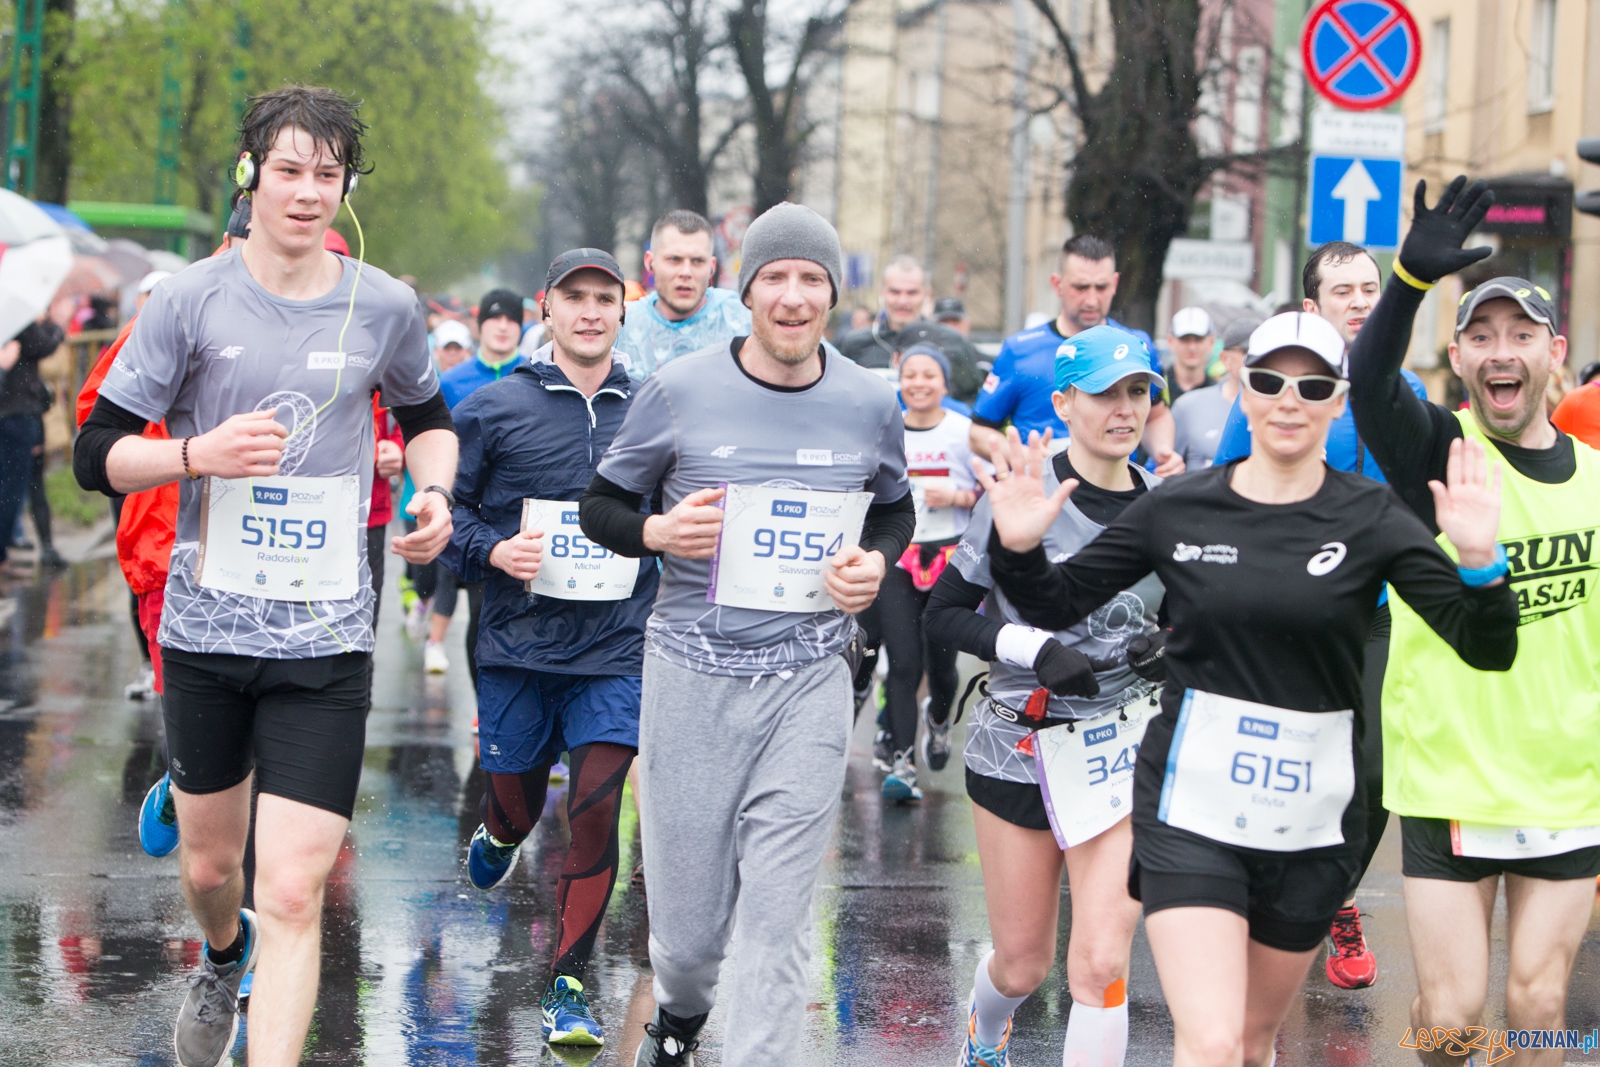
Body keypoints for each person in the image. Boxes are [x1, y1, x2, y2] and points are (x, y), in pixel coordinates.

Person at [982, 308, 1516, 1067]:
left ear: (1340, 401)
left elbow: (1486, 646)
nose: (1289, 400)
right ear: (1243, 390)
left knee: (1252, 1040)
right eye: (1270, 382)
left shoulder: (1373, 518)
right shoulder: (1179, 506)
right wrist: (1018, 549)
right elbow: (1056, 602)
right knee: (1209, 1041)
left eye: (1314, 386)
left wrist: (1481, 562)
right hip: (1190, 809)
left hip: (1308, 820)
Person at [73, 86, 458, 1067]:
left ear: (347, 185)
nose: (308, 191)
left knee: (292, 887)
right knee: (213, 870)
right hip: (206, 632)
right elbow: (95, 452)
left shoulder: (384, 304)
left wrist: (433, 493)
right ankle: (220, 950)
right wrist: (195, 454)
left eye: (328, 174)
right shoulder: (188, 299)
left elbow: (427, 419)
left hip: (326, 636)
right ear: (252, 176)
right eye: (288, 169)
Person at [579, 202, 914, 1067]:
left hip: (809, 675)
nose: (793, 297)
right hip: (691, 676)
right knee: (688, 939)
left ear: (833, 294)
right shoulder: (680, 390)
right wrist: (657, 531)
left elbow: (895, 509)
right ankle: (680, 1015)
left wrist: (876, 562)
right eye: (775, 278)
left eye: (812, 279)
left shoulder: (869, 401)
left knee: (777, 919)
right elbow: (601, 505)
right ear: (748, 290)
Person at [1347, 177, 1600, 1067]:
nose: (1502, 352)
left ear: (1554, 353)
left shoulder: (1598, 480)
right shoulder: (1439, 451)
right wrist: (1408, 283)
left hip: (1569, 779)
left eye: (1521, 335)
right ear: (1458, 357)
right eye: (1482, 336)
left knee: (1537, 1001)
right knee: (1451, 1024)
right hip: (1451, 775)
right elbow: (1368, 382)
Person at [924, 324, 1167, 1067]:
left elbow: (1199, 617)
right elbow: (944, 615)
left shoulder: (1170, 504)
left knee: (1100, 960)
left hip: (1123, 752)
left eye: (1138, 391)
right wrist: (1033, 648)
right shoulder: (1020, 494)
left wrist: (1172, 645)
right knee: (1023, 966)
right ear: (1063, 403)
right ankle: (985, 1029)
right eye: (1104, 393)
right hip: (1020, 746)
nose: (1124, 408)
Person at [446, 248, 656, 1047]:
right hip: (518, 647)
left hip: (617, 648)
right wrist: (494, 550)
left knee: (596, 808)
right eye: (576, 297)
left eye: (605, 297)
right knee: (518, 804)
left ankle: (567, 982)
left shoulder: (655, 408)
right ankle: (500, 831)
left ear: (623, 309)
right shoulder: (494, 407)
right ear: (548, 308)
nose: (591, 311)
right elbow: (447, 513)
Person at [1211, 244, 1433, 990]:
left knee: (1371, 773)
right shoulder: (1273, 387)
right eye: (1344, 291)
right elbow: (1220, 489)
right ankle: (1261, 905)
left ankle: (1333, 898)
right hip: (1284, 613)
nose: (1362, 301)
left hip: (1374, 614)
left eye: (1371, 288)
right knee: (1283, 766)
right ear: (1312, 307)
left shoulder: (1403, 386)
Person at [852, 342, 977, 802]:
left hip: (951, 557)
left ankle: (938, 720)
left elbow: (995, 492)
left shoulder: (965, 432)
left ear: (945, 383)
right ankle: (903, 764)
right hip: (900, 556)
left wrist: (958, 497)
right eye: (910, 375)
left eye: (929, 375)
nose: (919, 383)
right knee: (904, 662)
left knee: (942, 667)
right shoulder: (888, 428)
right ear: (899, 381)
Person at [971, 235, 1181, 476]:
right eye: (1081, 287)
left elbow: (1156, 415)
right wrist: (1027, 457)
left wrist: (1164, 453)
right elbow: (978, 433)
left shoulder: (1136, 345)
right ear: (1057, 284)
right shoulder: (1020, 350)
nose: (1091, 300)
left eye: (1101, 287)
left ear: (1114, 283)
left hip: (1117, 489)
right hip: (1043, 488)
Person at [431, 290, 524, 681]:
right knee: (480, 611)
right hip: (470, 514)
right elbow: (431, 439)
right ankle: (481, 702)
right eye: (494, 319)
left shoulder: (538, 373)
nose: (502, 327)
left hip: (522, 515)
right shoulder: (453, 381)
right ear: (479, 326)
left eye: (511, 320)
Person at [613, 210, 751, 379]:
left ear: (712, 267)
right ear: (650, 263)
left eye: (697, 261)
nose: (686, 272)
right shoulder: (620, 326)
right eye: (674, 259)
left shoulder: (743, 319)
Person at [839, 254, 986, 402]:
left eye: (912, 293)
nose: (903, 301)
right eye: (895, 292)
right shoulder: (856, 343)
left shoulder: (953, 342)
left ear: (927, 294)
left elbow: (971, 399)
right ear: (882, 292)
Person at [0, 316, 65, 580]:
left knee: (15, 488)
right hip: (17, 414)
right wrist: (54, 325)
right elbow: (43, 345)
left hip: (19, 412)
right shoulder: (17, 317)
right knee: (12, 490)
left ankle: (6, 555)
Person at [1170, 315, 1254, 471]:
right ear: (1224, 358)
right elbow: (1161, 468)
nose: (1256, 358)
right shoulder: (1188, 405)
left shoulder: (1281, 406)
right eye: (1246, 351)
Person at [1164, 306, 1216, 404]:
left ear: (1211, 343)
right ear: (1170, 341)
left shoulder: (1217, 393)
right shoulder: (1157, 387)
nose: (1192, 347)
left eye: (1198, 339)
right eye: (1184, 339)